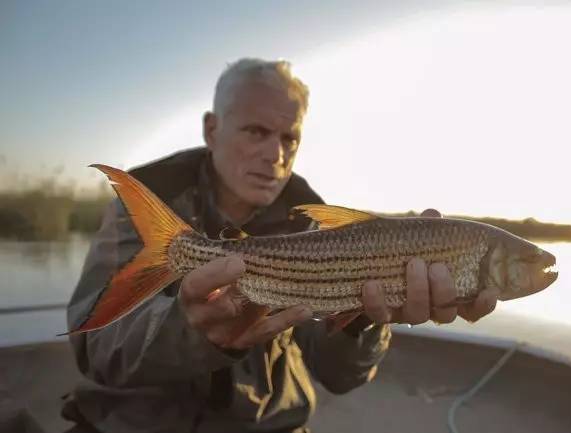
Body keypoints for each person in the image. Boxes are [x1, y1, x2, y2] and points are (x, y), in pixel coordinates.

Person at [63, 58, 498, 433]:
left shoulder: (318, 225)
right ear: (211, 130)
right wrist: (190, 330)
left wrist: (360, 321)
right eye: (256, 132)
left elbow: (340, 376)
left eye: (290, 138)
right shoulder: (148, 195)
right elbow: (95, 348)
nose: (275, 154)